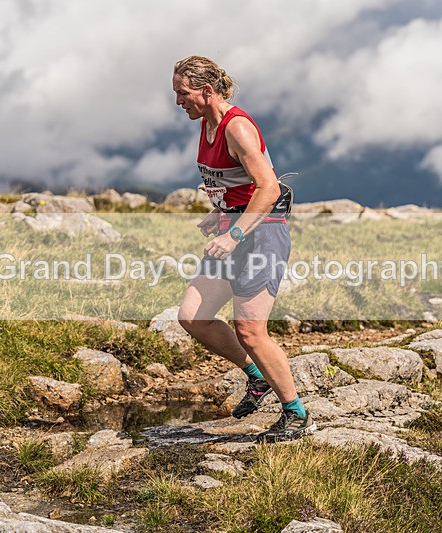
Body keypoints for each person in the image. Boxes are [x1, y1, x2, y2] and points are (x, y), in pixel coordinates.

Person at [172, 55, 315, 443]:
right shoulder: (207, 124)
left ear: (207, 90)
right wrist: (218, 212)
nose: (178, 101)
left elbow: (268, 187)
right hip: (232, 227)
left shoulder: (237, 128)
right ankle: (257, 377)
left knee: (251, 330)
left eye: (183, 93)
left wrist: (233, 234)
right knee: (193, 316)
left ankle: (296, 414)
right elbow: (235, 184)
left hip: (261, 235)